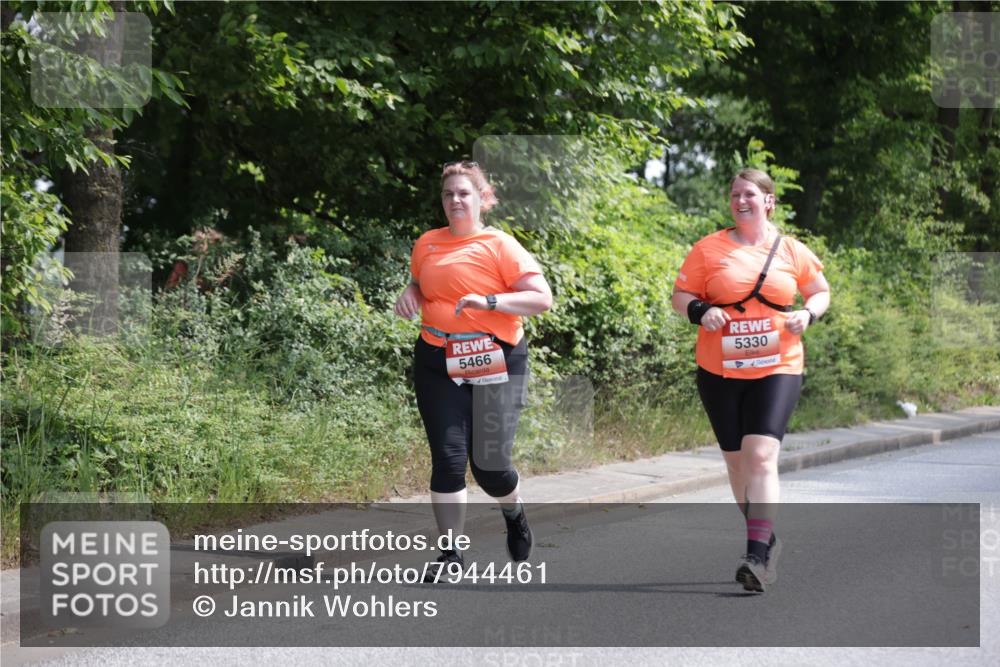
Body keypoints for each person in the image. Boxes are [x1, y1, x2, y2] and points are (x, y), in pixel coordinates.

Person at [671, 168, 830, 592]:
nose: (740, 200)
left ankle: (756, 557)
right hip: (719, 368)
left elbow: (820, 290)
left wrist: (807, 313)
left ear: (769, 201)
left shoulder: (792, 250)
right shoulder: (708, 249)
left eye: (749, 194)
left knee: (760, 456)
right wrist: (701, 312)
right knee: (736, 463)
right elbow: (680, 296)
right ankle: (767, 537)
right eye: (734, 194)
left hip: (778, 365)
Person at [393, 160, 553, 581]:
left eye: (464, 193)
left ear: (483, 198)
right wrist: (410, 294)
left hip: (497, 359)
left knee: (490, 466)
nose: (455, 200)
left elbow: (541, 298)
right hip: (437, 360)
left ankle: (513, 512)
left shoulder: (500, 245)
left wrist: (492, 302)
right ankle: (450, 556)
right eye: (448, 194)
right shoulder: (427, 242)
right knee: (447, 460)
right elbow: (421, 282)